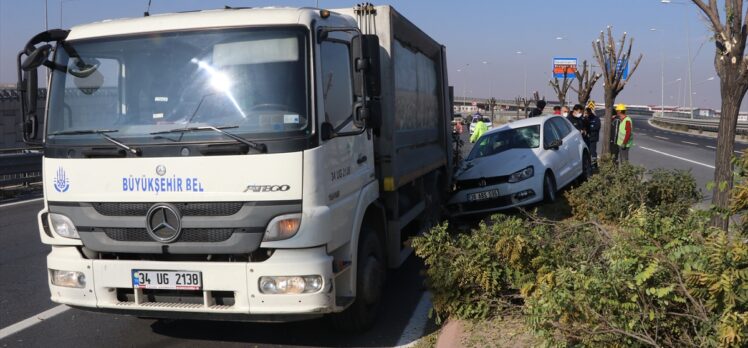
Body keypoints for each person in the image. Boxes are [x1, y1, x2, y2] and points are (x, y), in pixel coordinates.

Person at [585, 101, 601, 165]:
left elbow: (597, 127)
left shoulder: (596, 118)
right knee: (587, 152)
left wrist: (589, 129)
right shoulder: (585, 118)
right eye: (586, 113)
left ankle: (594, 164)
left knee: (593, 152)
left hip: (593, 138)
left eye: (588, 113)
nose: (587, 114)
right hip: (586, 138)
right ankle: (588, 164)